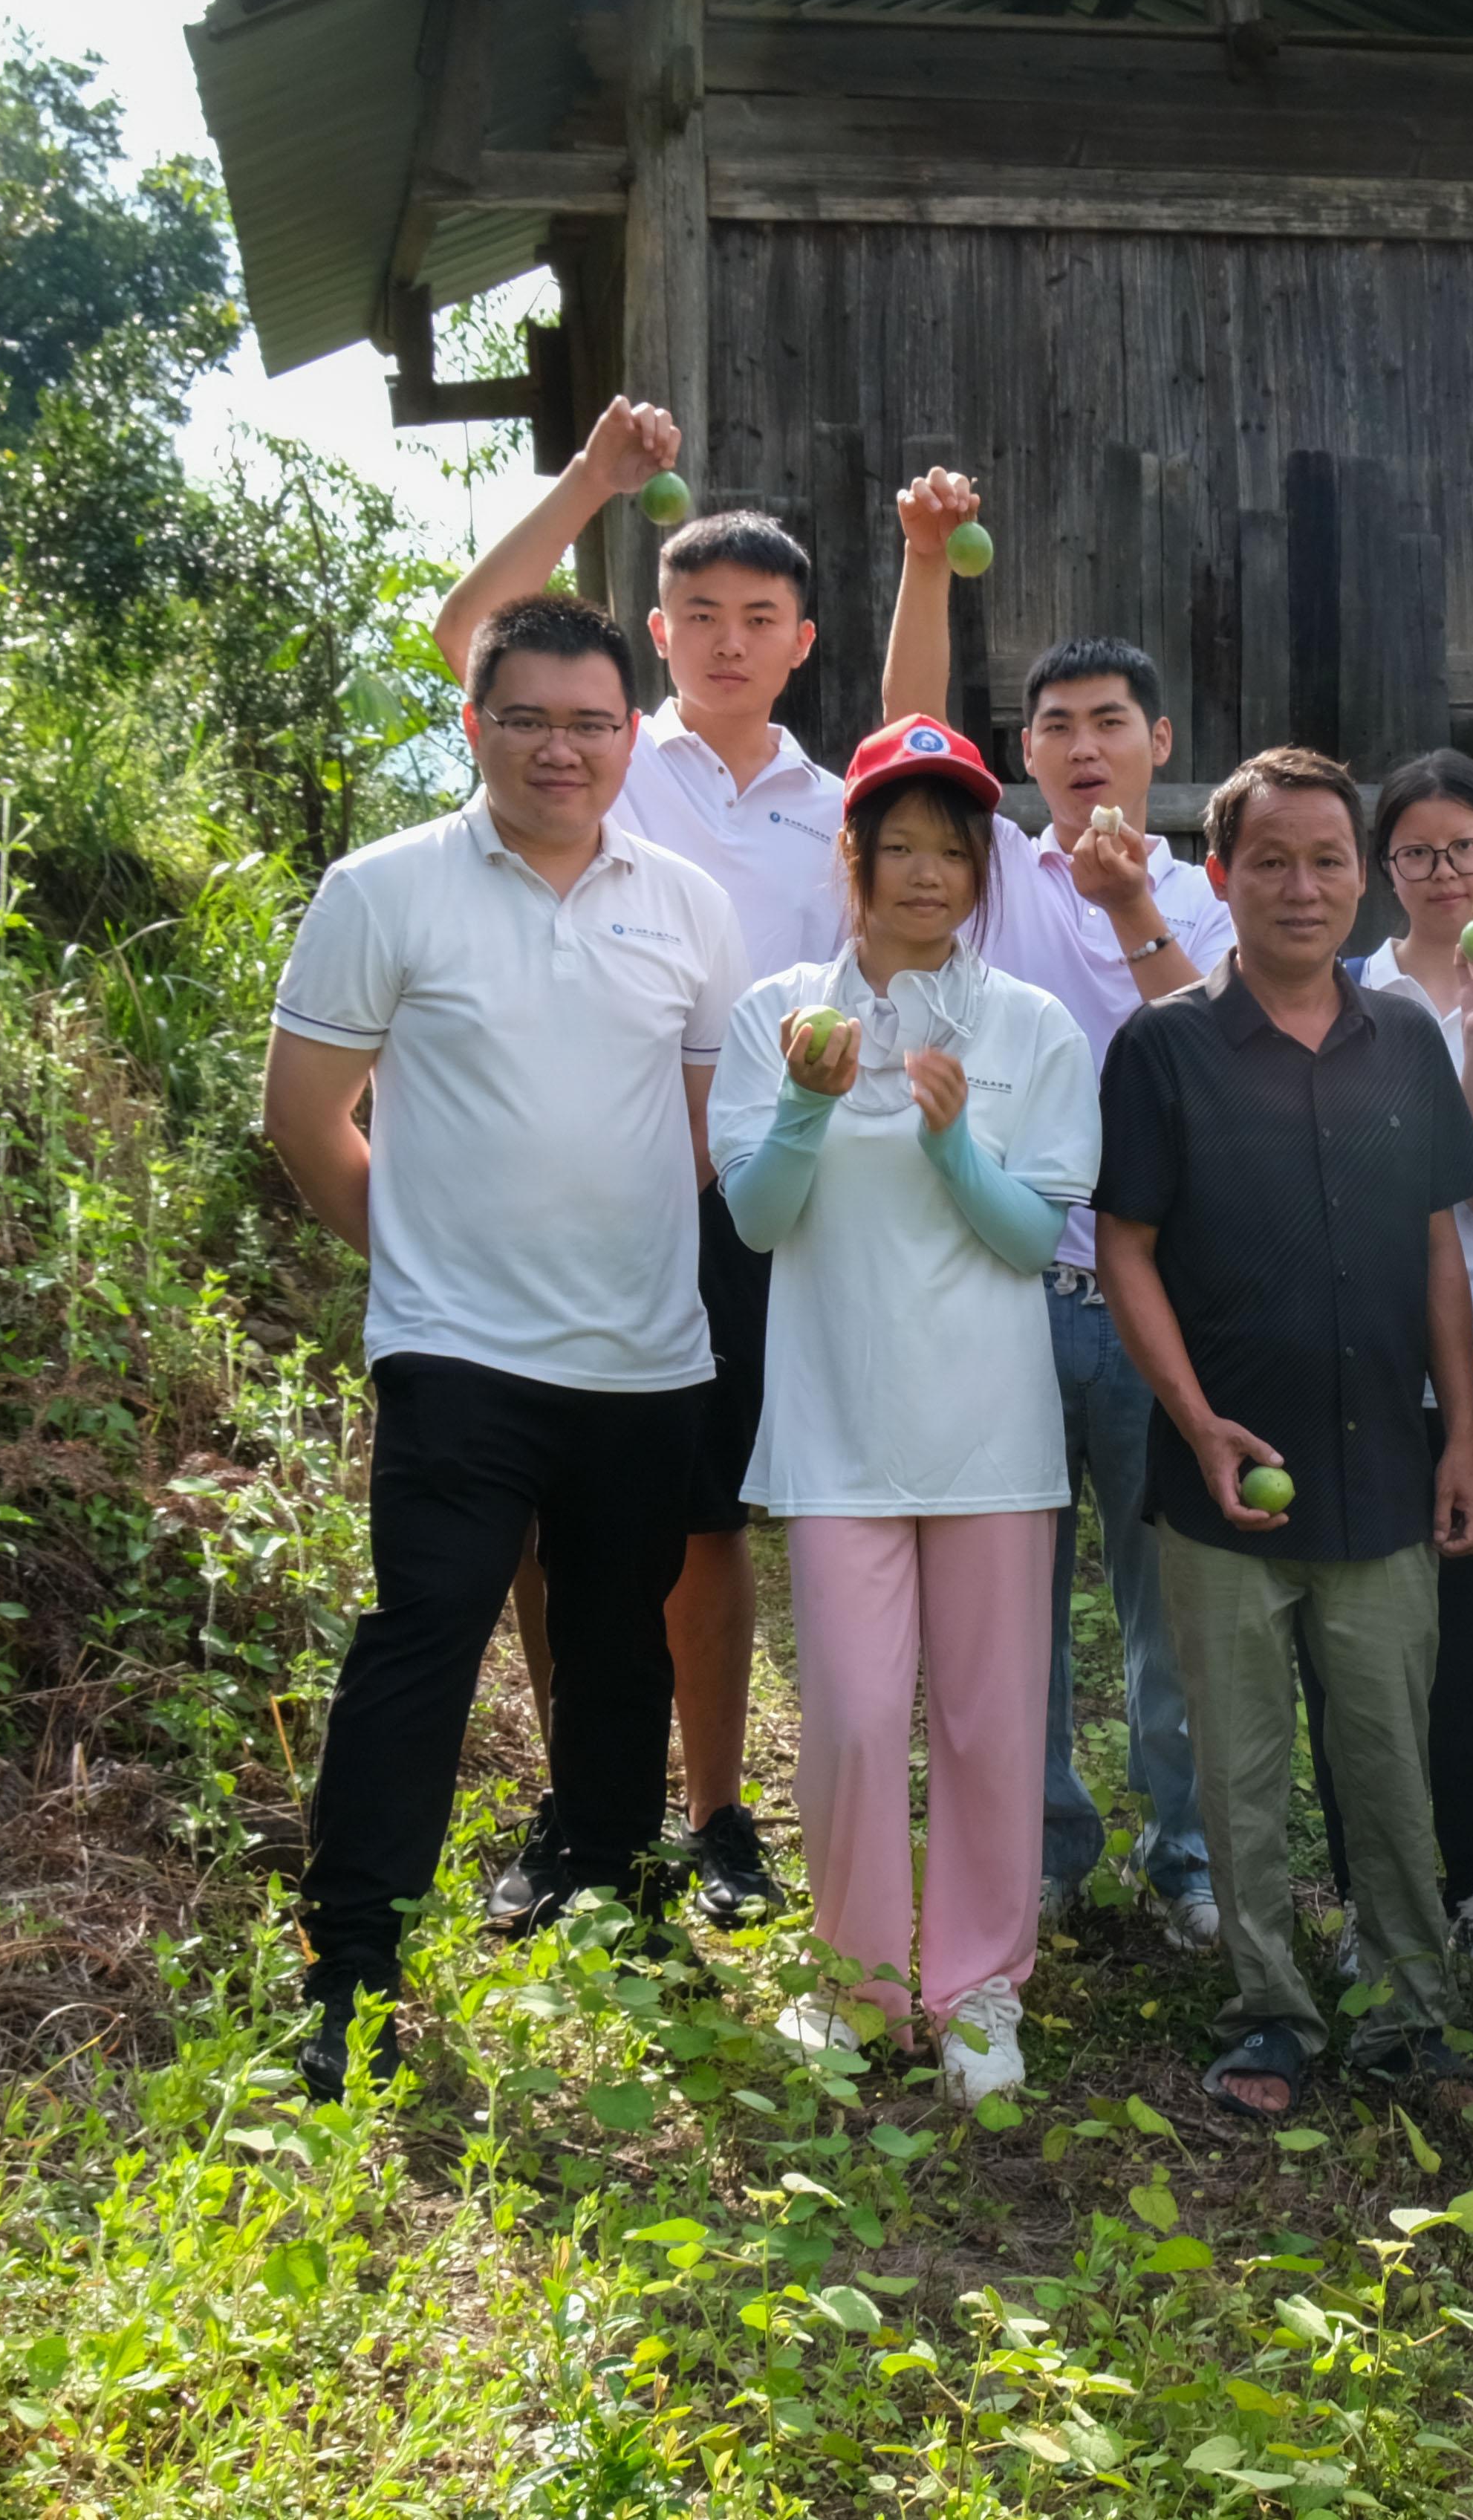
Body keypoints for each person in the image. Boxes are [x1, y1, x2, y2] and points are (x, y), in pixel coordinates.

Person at [430, 410, 946, 1930]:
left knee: (704, 1517)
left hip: (740, 1193)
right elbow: (471, 631)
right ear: (657, 634)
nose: (728, 643)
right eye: (701, 617)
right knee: (545, 1515)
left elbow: (918, 734)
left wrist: (925, 558)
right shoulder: (598, 754)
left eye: (760, 621)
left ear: (802, 642)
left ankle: (718, 1812)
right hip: (569, 1178)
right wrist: (590, 484)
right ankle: (590, 1800)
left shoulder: (829, 804)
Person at [261, 594, 738, 2102]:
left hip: (646, 1353)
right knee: (426, 1634)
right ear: (474, 724)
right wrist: (422, 1266)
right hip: (456, 1353)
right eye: (527, 717)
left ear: (628, 736)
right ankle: (351, 1967)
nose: (562, 748)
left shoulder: (688, 903)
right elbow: (305, 1117)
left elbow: (709, 1133)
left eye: (594, 722)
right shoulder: (385, 890)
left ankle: (604, 1877)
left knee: (616, 1635)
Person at [1093, 748, 1473, 2119]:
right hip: (1223, 1483)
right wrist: (1196, 1420)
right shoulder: (1164, 1048)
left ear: (1358, 876)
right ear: (1220, 879)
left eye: (1328, 860)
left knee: (1387, 1751)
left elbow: (1440, 1242)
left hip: (1385, 1460)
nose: (1302, 886)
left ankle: (1409, 2009)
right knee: (1241, 1764)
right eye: (1271, 861)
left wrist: (1454, 1435)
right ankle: (1272, 2008)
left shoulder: (1407, 1041)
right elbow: (1124, 1248)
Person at [712, 714, 1098, 2105]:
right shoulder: (779, 1018)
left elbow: (1025, 1240)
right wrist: (812, 1110)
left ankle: (981, 1983)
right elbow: (758, 1220)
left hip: (994, 1436)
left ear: (982, 868)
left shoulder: (1031, 1028)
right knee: (860, 1720)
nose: (927, 873)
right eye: (901, 846)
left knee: (993, 1724)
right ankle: (857, 1984)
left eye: (953, 849)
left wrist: (947, 1139)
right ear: (855, 855)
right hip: (836, 1431)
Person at [882, 482, 1236, 1952]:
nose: (1085, 748)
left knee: (1176, 1610)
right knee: (1006, 1603)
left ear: (1157, 742)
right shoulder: (999, 887)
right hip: (1007, 1299)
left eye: (1110, 722)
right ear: (1026, 761)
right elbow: (899, 744)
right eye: (1056, 729)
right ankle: (1039, 1843)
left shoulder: (1217, 903)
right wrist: (925, 561)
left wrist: (1139, 917)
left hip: (1163, 1311)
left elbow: (1220, 1077)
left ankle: (1191, 1854)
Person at [1299, 749, 1473, 1994]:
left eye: (1466, 849)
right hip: (1351, 1362)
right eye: (1417, 853)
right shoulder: (1335, 994)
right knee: (1352, 1648)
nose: (1444, 873)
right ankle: (1372, 1897)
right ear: (1381, 872)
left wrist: (1472, 1037)